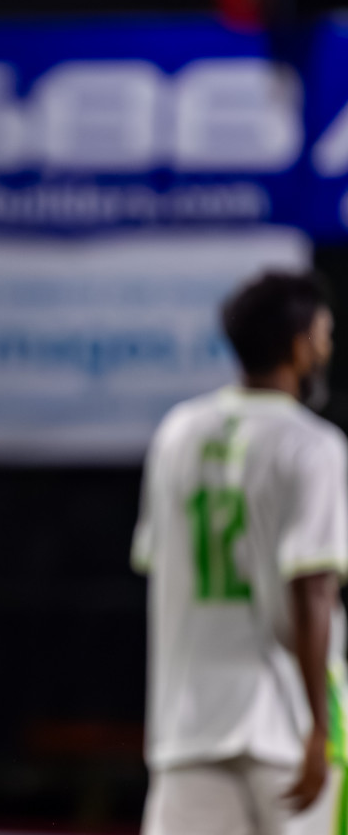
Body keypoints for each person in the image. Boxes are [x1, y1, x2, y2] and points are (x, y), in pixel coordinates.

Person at [134, 270, 348, 835]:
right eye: (324, 336)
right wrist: (321, 728)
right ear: (300, 345)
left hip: (186, 727)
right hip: (286, 727)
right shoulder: (314, 445)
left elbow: (161, 567)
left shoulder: (177, 432)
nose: (326, 349)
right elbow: (313, 590)